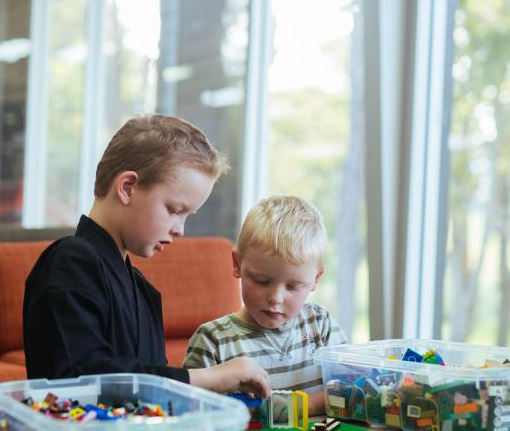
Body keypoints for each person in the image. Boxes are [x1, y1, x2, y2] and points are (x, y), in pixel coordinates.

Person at [23, 114, 269, 398]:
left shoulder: (140, 288)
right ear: (128, 188)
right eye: (175, 210)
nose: (180, 230)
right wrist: (210, 377)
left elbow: (148, 392)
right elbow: (84, 378)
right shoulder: (70, 261)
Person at [182, 195, 347, 414]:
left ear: (315, 279)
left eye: (293, 286)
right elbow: (187, 411)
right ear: (237, 263)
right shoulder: (213, 341)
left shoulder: (320, 324)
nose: (276, 298)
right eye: (262, 281)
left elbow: (349, 390)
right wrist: (313, 405)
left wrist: (288, 408)